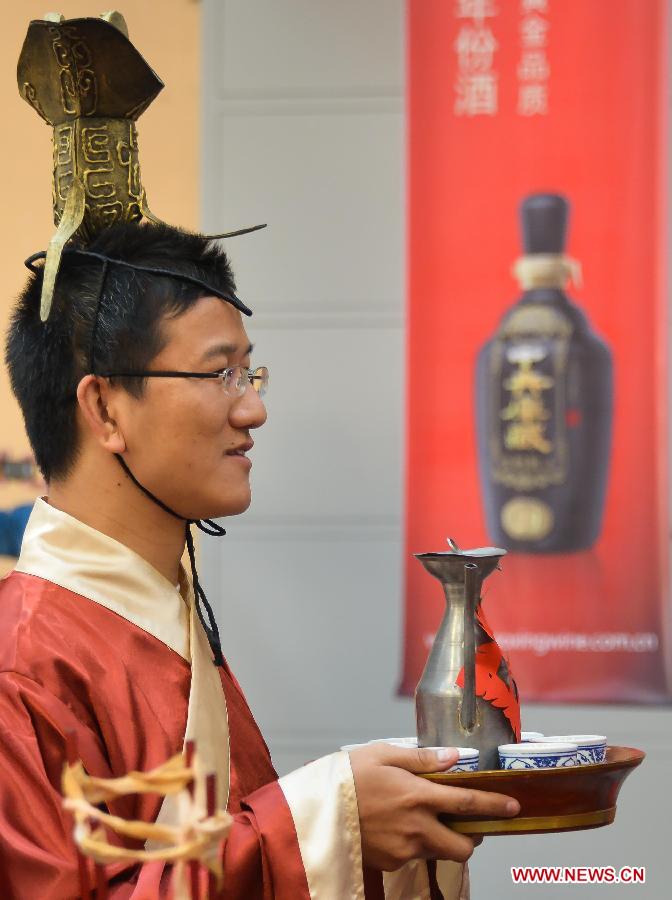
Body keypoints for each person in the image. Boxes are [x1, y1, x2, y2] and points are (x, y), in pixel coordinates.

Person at [0, 223, 520, 898]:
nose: (254, 408)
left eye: (249, 372)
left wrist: (380, 835)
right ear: (104, 408)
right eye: (221, 373)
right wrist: (329, 820)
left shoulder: (164, 616)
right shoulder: (23, 664)